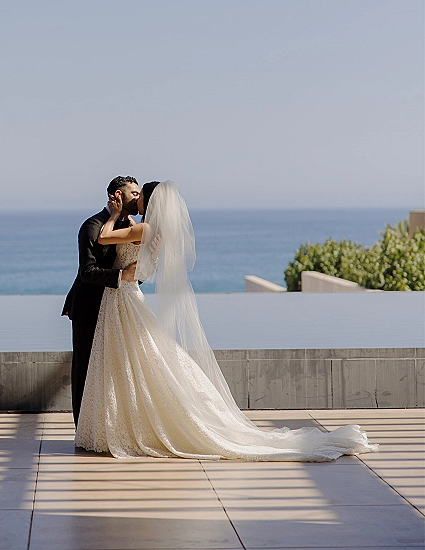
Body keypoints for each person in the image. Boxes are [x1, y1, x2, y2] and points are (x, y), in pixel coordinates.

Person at [75, 180, 378, 461]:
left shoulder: (142, 228)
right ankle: (119, 423)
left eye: (140, 195)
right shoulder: (151, 229)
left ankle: (128, 426)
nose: (136, 198)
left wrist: (114, 217)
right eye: (133, 193)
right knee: (132, 362)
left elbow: (104, 238)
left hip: (124, 299)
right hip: (121, 299)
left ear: (150, 202)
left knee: (143, 361)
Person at [62, 176, 141, 426]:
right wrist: (121, 276)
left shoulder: (131, 225)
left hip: (119, 307)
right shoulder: (92, 226)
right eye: (134, 193)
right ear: (118, 195)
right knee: (85, 368)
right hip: (89, 305)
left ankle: (110, 426)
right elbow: (87, 272)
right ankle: (83, 429)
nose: (138, 198)